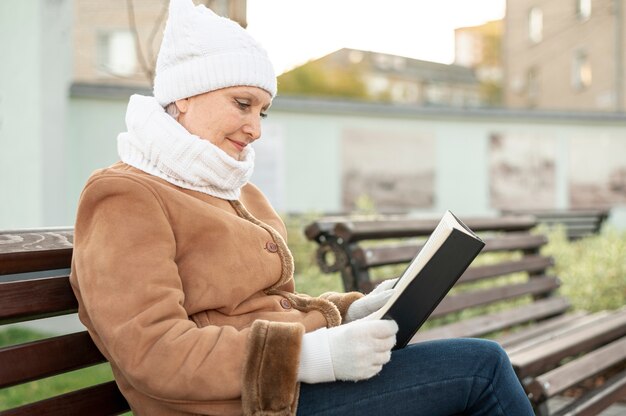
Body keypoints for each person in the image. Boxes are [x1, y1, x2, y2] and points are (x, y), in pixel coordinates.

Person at [69, 1, 535, 415]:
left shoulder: (232, 190)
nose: (255, 128)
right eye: (242, 103)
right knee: (482, 368)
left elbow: (271, 307)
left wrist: (351, 312)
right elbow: (155, 353)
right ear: (184, 96)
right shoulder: (125, 196)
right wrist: (311, 357)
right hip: (243, 405)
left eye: (262, 111)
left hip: (284, 392)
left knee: (469, 370)